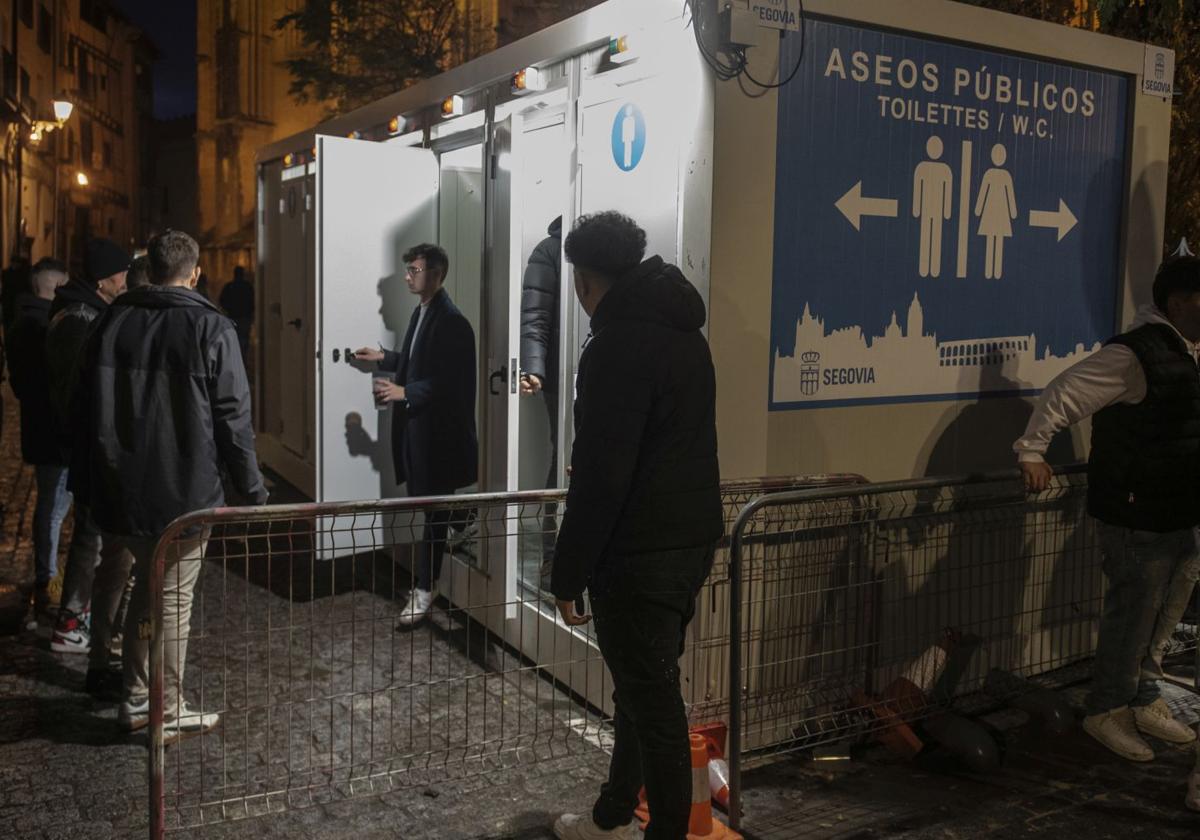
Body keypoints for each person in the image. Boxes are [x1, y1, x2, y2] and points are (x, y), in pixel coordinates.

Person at [550, 212, 722, 840]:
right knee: (642, 687)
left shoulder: (619, 342)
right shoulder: (681, 329)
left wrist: (566, 571)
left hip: (639, 549)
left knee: (652, 703)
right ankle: (614, 810)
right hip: (688, 538)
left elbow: (601, 476)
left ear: (585, 280)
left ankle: (663, 830)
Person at [76, 229, 267, 738]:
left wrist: (90, 481)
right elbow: (233, 418)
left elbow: (83, 407)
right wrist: (251, 493)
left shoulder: (112, 320)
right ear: (195, 273)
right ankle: (164, 706)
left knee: (147, 592)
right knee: (172, 603)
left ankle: (138, 699)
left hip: (123, 486)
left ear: (152, 269)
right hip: (184, 493)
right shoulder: (210, 326)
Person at [1015, 255, 1200, 763]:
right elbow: (1066, 392)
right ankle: (1106, 708)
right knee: (1133, 613)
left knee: (1165, 610)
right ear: (1180, 302)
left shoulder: (1187, 350)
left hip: (1179, 506)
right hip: (1136, 508)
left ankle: (1142, 695)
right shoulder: (1135, 355)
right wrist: (1032, 449)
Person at [353, 244, 478, 627]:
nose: (408, 276)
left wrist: (404, 392)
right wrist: (385, 358)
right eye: (407, 270)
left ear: (436, 275)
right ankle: (466, 518)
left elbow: (449, 382)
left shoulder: (452, 321)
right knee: (431, 505)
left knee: (433, 514)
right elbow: (416, 361)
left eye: (415, 270)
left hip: (437, 436)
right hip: (419, 432)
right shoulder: (423, 311)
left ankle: (425, 588)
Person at [46, 239, 130, 656]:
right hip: (88, 445)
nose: (126, 280)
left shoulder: (86, 311)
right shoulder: (79, 319)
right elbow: (77, 393)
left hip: (89, 444)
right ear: (103, 281)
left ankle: (78, 615)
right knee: (90, 534)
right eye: (121, 274)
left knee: (93, 532)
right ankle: (71, 621)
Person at [7, 258, 69, 614]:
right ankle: (47, 574)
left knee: (52, 503)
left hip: (41, 427)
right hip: (50, 431)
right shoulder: (39, 325)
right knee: (53, 506)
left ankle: (47, 571)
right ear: (54, 287)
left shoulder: (26, 320)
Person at [518, 216, 563, 582]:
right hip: (562, 378)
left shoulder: (597, 243)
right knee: (562, 457)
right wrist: (535, 368)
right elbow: (535, 316)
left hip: (599, 370)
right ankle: (552, 555)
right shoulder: (551, 249)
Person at [219, 265, 254, 362]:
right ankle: (242, 360)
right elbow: (252, 301)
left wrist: (228, 310)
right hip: (244, 317)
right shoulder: (247, 286)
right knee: (243, 341)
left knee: (233, 340)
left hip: (233, 316)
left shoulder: (230, 286)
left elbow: (222, 300)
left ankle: (235, 360)